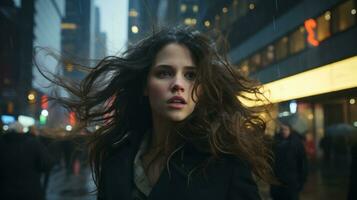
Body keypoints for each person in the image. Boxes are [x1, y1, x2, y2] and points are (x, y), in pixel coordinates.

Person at [47, 26, 276, 199]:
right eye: (164, 73)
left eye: (191, 75)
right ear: (145, 86)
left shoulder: (225, 163)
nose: (178, 84)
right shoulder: (115, 159)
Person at [0, 122, 54, 200]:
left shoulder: (2, 144)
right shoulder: (34, 144)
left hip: (5, 193)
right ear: (22, 131)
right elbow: (46, 164)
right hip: (30, 192)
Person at [270, 118, 308, 200]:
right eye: (282, 129)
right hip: (278, 181)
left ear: (290, 130)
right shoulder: (275, 143)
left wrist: (301, 180)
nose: (283, 131)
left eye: (286, 129)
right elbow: (271, 160)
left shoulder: (296, 143)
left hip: (292, 181)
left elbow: (302, 162)